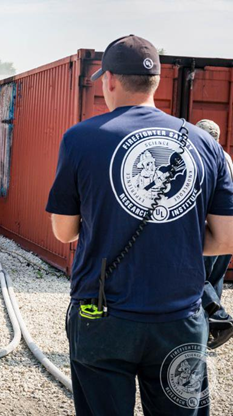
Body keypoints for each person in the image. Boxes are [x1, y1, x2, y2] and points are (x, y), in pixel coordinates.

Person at [46, 35, 233, 415]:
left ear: (110, 80)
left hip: (102, 316)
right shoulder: (205, 144)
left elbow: (63, 232)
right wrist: (172, 241)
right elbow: (225, 238)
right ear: (157, 83)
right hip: (178, 318)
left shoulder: (81, 139)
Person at [196, 119, 233, 349]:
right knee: (215, 279)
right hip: (228, 233)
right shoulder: (227, 158)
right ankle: (213, 330)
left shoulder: (203, 157)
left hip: (210, 230)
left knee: (196, 277)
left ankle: (218, 317)